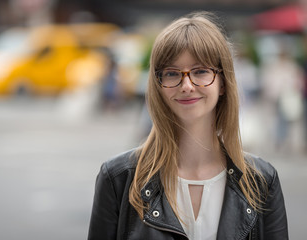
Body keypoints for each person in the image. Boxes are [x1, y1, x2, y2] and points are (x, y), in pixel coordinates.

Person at [88, 12, 288, 240]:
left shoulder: (262, 180)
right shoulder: (118, 178)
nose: (186, 85)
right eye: (172, 73)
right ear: (158, 85)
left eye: (201, 71)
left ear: (223, 82)